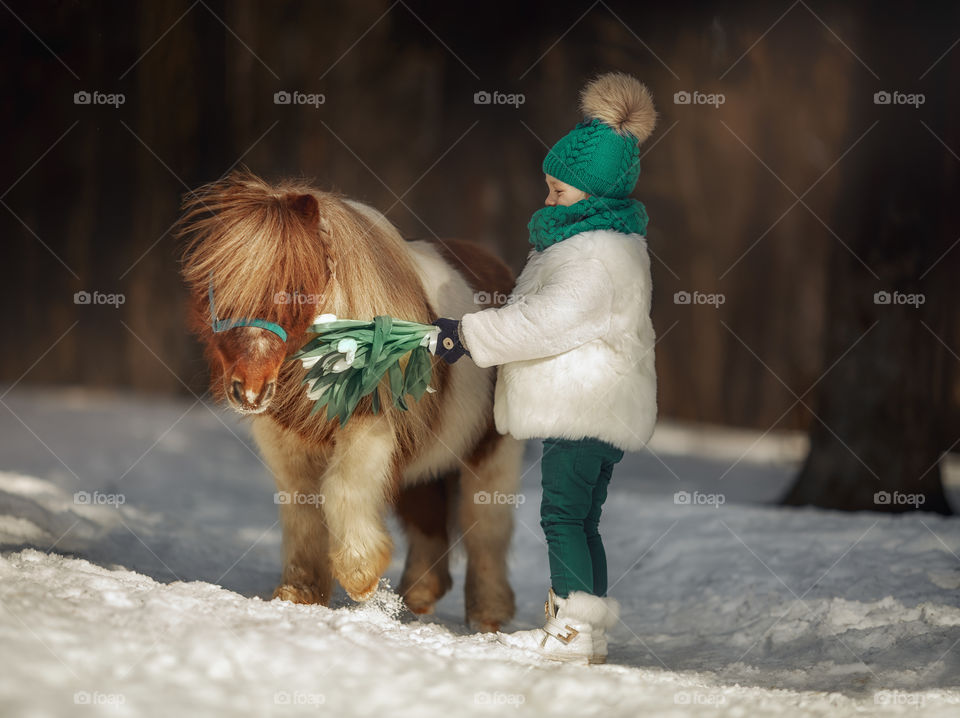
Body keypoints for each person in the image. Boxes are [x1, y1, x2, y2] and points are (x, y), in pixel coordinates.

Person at [431, 72, 659, 664]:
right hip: (596, 404)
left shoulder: (595, 253)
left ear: (597, 191)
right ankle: (586, 627)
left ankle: (573, 631)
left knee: (563, 516)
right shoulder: (603, 242)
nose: (549, 200)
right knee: (581, 520)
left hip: (584, 404)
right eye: (548, 188)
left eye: (560, 192)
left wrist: (460, 336)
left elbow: (544, 322)